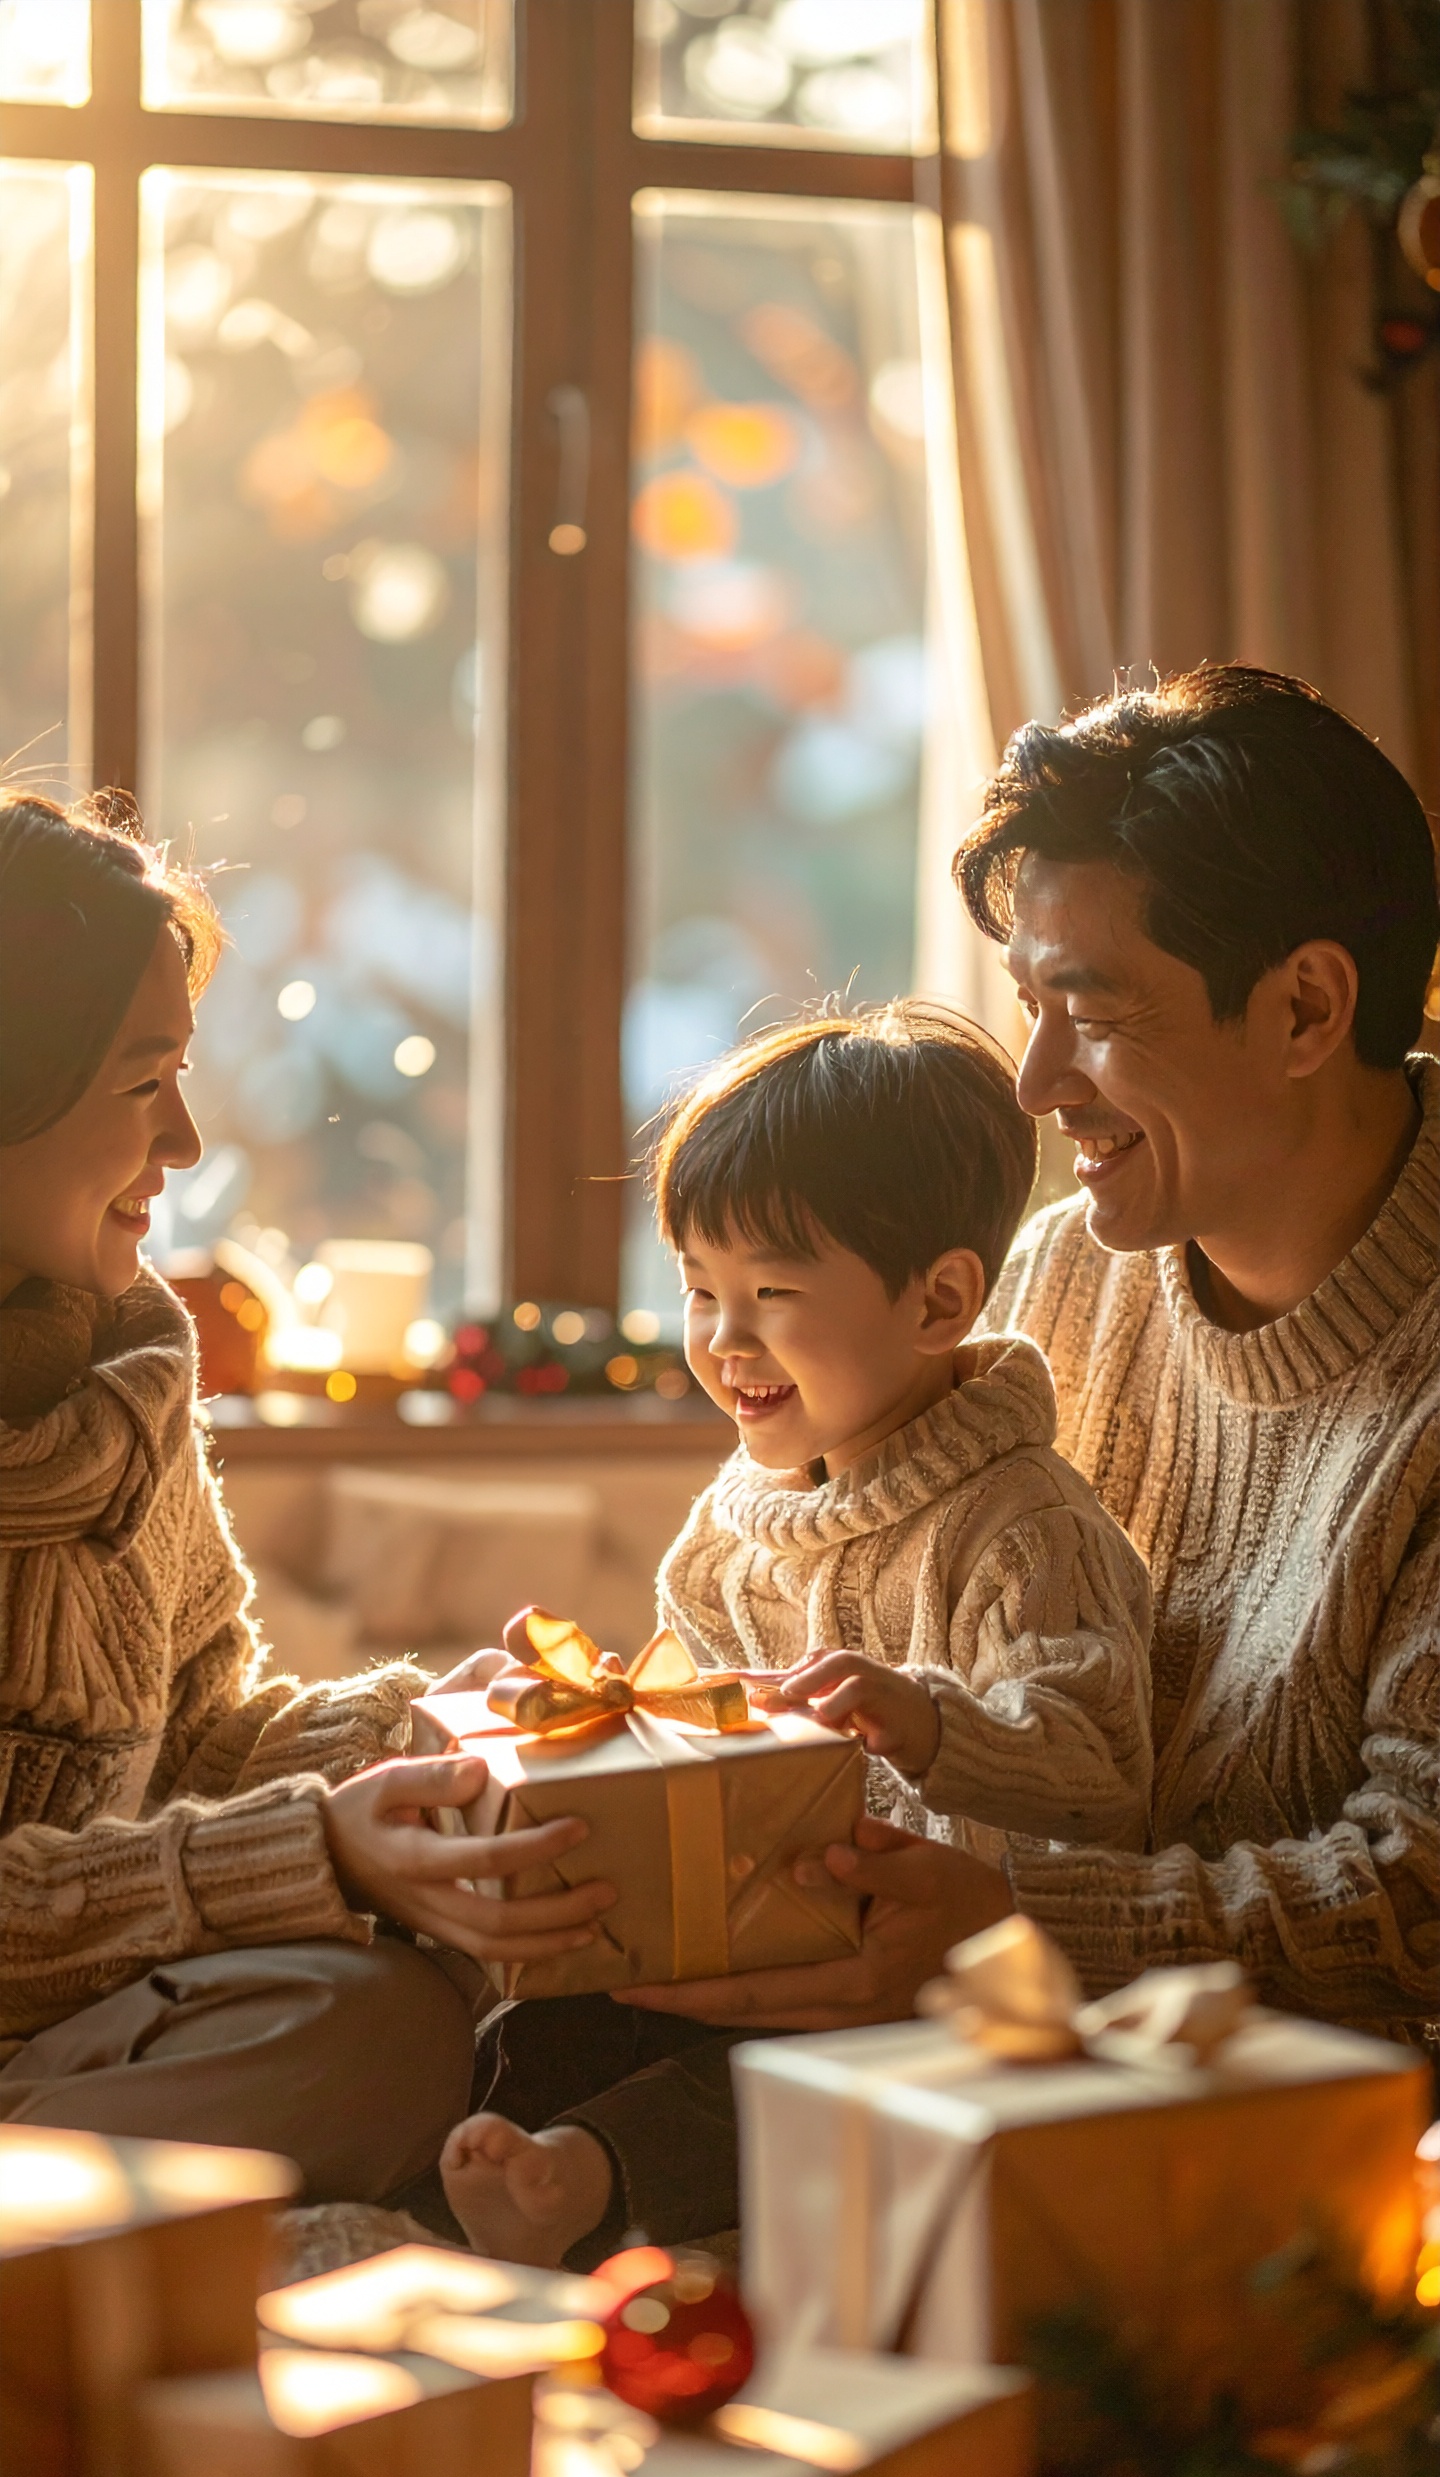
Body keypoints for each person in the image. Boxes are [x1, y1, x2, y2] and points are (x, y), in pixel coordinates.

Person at [616, 664, 1440, 2065]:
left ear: (1307, 1009)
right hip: (967, 2041)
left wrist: (1017, 1920)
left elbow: (1415, 1896)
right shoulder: (1052, 1278)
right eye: (1028, 1005)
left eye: (1096, 1012)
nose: (1036, 1082)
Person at [438, 1001, 1153, 2266]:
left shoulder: (1024, 1523)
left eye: (770, 1294)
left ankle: (589, 2183)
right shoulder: (729, 1531)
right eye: (700, 1293)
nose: (724, 1342)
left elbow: (1096, 1763)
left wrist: (935, 1724)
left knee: (769, 2069)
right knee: (560, 1996)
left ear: (939, 1301)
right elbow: (698, 1742)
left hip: (938, 1975)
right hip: (764, 1927)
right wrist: (592, 1735)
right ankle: (530, 2173)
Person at [0, 788, 619, 2199]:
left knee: (471, 1956)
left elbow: (197, 1739)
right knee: (371, 2034)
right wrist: (311, 1852)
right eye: (141, 1081)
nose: (190, 1146)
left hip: (75, 2038)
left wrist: (425, 1731)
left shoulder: (129, 1370)